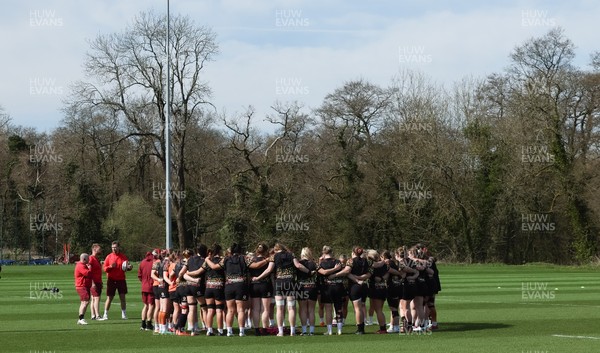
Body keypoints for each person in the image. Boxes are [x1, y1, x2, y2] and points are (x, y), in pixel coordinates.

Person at [252, 242, 313, 336]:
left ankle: (280, 331)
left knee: (279, 308)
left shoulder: (273, 257)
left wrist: (258, 278)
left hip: (279, 283)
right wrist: (309, 272)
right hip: (290, 283)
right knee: (291, 308)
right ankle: (292, 331)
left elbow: (269, 270)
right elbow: (298, 266)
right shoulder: (291, 254)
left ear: (276, 249)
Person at [317, 245, 344, 335]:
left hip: (327, 288)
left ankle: (330, 331)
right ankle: (339, 330)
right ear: (331, 252)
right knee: (339, 308)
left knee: (328, 309)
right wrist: (335, 269)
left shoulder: (322, 263)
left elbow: (322, 273)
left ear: (323, 253)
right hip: (338, 287)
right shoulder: (338, 261)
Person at [102, 240, 131, 320]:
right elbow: (104, 269)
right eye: (112, 247)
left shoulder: (123, 257)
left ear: (118, 247)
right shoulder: (109, 257)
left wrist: (129, 267)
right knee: (109, 297)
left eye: (115, 247)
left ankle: (124, 314)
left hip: (121, 279)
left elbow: (126, 267)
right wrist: (110, 266)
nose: (114, 249)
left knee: (122, 297)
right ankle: (105, 314)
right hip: (111, 279)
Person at [248, 243, 272, 335]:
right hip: (265, 284)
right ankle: (265, 329)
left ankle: (257, 329)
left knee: (255, 309)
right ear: (266, 250)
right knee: (265, 309)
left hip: (254, 285)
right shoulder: (269, 260)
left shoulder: (251, 260)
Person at [297, 247, 318, 335]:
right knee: (311, 310)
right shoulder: (314, 263)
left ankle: (304, 330)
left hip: (302, 287)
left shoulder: (298, 263)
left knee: (303, 310)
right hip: (312, 287)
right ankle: (312, 331)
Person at [138, 250, 156, 331]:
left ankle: (143, 324)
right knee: (151, 305)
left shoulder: (142, 262)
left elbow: (139, 276)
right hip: (151, 286)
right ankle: (149, 324)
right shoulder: (154, 262)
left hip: (144, 286)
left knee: (145, 305)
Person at [74, 253, 92, 325]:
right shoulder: (81, 266)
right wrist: (90, 268)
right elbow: (87, 274)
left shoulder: (83, 265)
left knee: (83, 302)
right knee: (85, 301)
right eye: (88, 259)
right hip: (82, 286)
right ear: (84, 259)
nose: (89, 260)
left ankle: (80, 318)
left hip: (84, 286)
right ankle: (81, 318)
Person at [88, 244, 103, 321]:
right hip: (95, 282)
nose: (100, 251)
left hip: (98, 281)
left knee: (93, 299)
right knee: (96, 298)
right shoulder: (91, 258)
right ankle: (97, 315)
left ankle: (93, 315)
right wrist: (93, 282)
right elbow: (89, 271)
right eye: (99, 249)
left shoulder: (96, 259)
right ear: (94, 249)